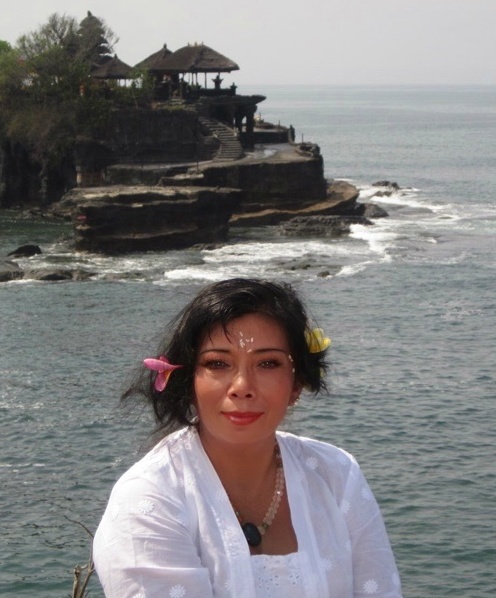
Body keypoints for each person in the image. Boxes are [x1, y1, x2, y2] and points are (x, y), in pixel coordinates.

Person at [93, 278, 402, 597]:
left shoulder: (336, 474)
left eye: (267, 363)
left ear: (296, 383)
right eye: (217, 363)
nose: (242, 386)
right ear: (188, 380)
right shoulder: (150, 501)